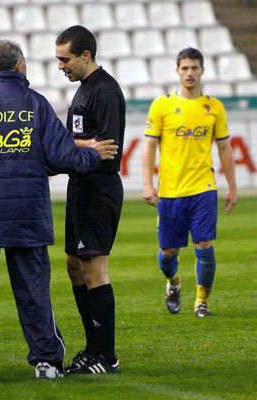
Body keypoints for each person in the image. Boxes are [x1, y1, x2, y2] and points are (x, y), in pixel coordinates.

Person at [0, 40, 118, 382]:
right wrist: (95, 154)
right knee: (33, 295)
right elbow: (62, 156)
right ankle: (47, 362)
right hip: (27, 216)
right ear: (19, 66)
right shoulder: (35, 104)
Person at [142, 47, 237, 318]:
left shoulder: (214, 107)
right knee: (168, 252)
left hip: (203, 188)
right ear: (177, 72)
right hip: (170, 191)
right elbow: (149, 148)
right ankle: (173, 283)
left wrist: (232, 187)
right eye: (185, 68)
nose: (190, 73)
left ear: (202, 71)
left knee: (204, 245)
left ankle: (201, 302)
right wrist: (148, 184)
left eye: (194, 67)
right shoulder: (162, 106)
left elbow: (225, 149)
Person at [54, 25, 126, 375]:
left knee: (95, 269)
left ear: (85, 55)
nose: (60, 66)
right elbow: (81, 143)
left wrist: (69, 146)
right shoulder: (83, 90)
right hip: (79, 187)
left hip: (99, 188)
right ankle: (92, 346)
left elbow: (107, 149)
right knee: (74, 265)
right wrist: (74, 147)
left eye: (64, 59)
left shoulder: (106, 91)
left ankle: (106, 356)